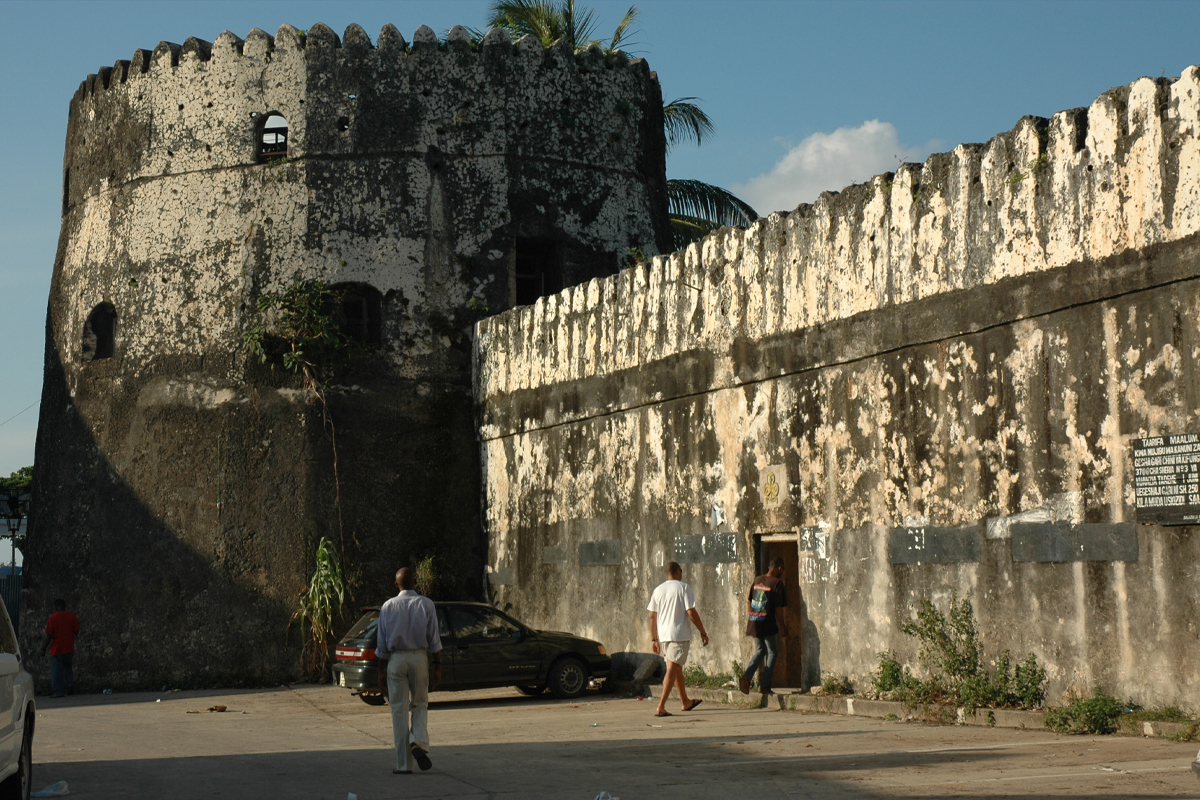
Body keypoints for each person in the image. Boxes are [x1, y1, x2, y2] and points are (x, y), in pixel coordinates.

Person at [375, 567, 443, 774]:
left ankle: (403, 765)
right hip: (419, 658)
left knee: (399, 710)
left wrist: (381, 670)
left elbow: (381, 643)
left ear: (396, 584)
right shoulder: (426, 604)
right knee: (420, 703)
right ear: (416, 582)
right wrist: (438, 666)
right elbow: (434, 639)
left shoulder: (387, 606)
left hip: (396, 660)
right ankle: (418, 742)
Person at [647, 562, 709, 717]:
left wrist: (654, 638)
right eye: (681, 571)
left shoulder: (658, 590)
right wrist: (703, 632)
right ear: (677, 571)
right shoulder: (683, 587)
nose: (682, 573)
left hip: (664, 636)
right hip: (679, 636)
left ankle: (685, 702)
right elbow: (691, 612)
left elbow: (652, 616)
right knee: (672, 670)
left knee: (677, 669)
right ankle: (661, 706)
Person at [738, 556, 789, 696]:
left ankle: (746, 677)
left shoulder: (757, 580)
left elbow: (749, 600)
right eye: (782, 569)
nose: (782, 572)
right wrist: (783, 625)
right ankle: (764, 685)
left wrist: (753, 615)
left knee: (760, 651)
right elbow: (778, 608)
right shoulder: (777, 583)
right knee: (772, 652)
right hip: (768, 623)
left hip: (755, 622)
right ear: (779, 568)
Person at [43, 598, 80, 698]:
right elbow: (76, 631)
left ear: (56, 607)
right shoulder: (72, 616)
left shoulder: (53, 618)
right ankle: (70, 685)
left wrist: (43, 648)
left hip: (57, 649)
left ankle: (58, 692)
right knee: (68, 667)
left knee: (57, 672)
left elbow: (49, 635)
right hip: (68, 647)